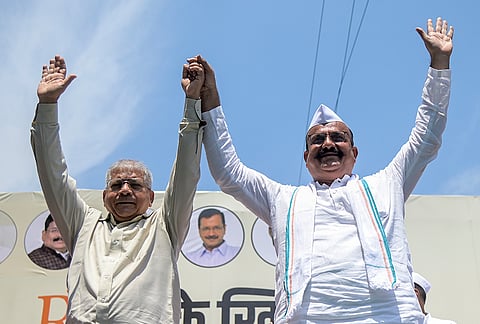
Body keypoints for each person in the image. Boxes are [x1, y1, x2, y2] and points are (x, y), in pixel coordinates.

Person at [195, 17, 454, 323]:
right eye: (318, 140)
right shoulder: (283, 199)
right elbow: (229, 173)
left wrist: (439, 64)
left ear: (354, 153)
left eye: (338, 138)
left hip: (386, 314)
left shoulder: (387, 183)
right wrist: (209, 99)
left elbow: (426, 137)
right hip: (307, 315)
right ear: (307, 158)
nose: (328, 143)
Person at [30, 54, 205, 323]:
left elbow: (186, 172)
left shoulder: (164, 225)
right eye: (116, 185)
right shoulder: (84, 225)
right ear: (104, 196)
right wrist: (48, 105)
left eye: (135, 185)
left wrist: (192, 103)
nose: (125, 190)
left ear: (150, 197)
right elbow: (52, 174)